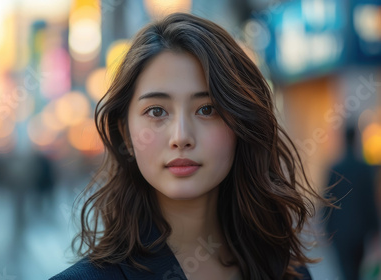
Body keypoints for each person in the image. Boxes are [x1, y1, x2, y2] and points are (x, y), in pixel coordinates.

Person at [51, 13, 329, 280]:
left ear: (242, 126)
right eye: (157, 111)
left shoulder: (287, 272)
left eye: (207, 109)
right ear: (125, 133)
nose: (181, 136)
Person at [325, 126, 379, 280]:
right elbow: (369, 200)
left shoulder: (336, 168)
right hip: (360, 231)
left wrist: (326, 228)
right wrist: (375, 228)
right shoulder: (364, 169)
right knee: (356, 271)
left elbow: (327, 199)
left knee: (346, 271)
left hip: (339, 231)